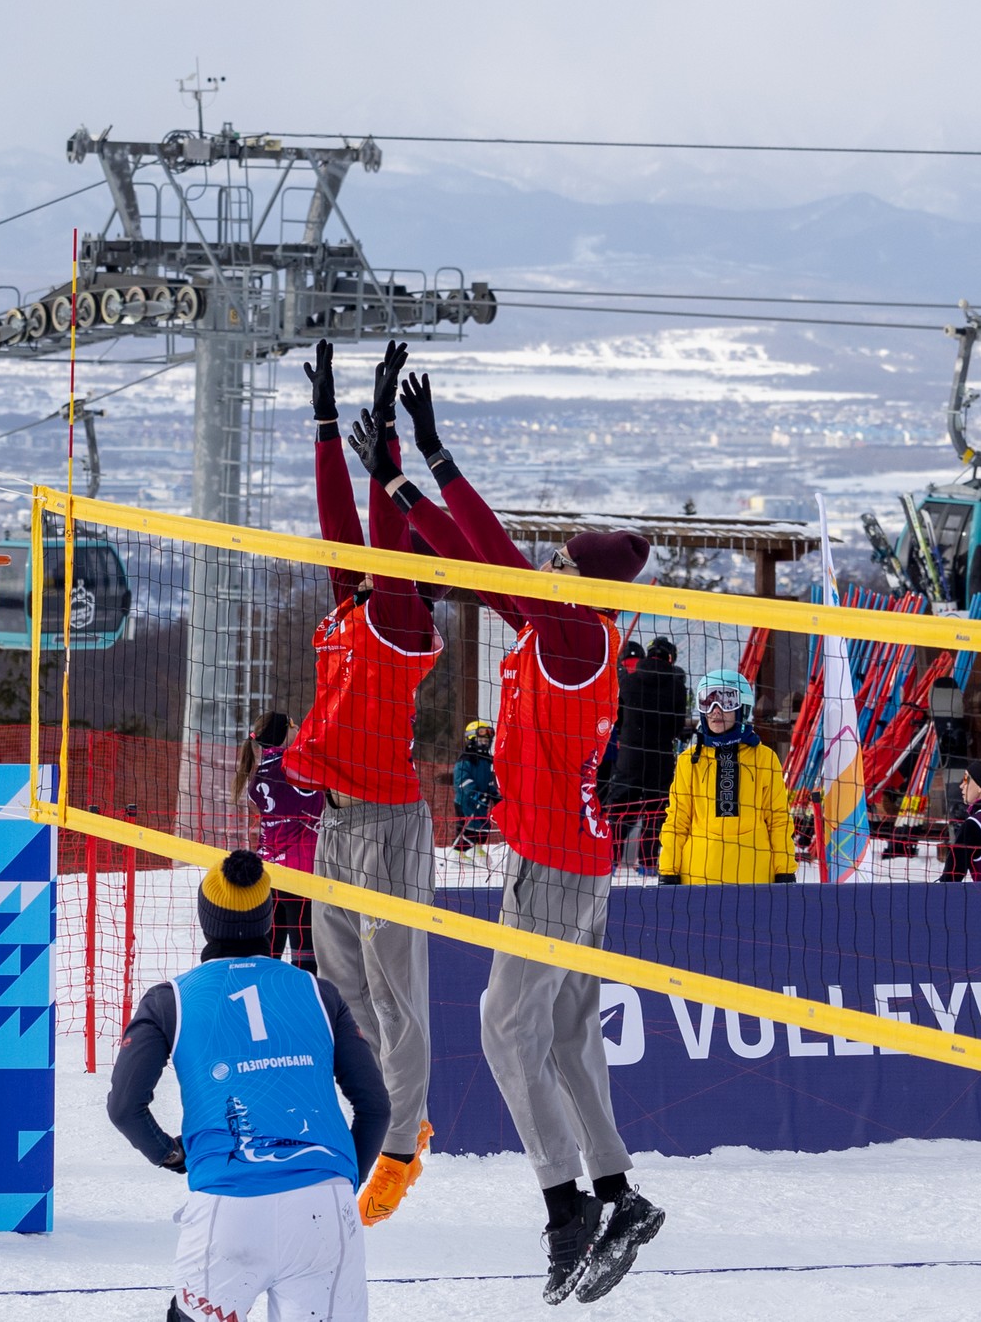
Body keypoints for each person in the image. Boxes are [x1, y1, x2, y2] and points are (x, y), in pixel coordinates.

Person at [357, 366, 665, 1304]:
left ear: (593, 583)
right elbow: (466, 561)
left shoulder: (578, 637)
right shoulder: (546, 629)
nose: (556, 570)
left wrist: (435, 461)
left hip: (560, 870)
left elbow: (490, 554)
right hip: (566, 862)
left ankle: (564, 1203)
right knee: (567, 1037)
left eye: (571, 564)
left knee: (501, 1028)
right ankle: (616, 1191)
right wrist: (403, 485)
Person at [280, 340, 442, 1226]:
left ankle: (402, 1142)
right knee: (342, 995)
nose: (373, 563)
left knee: (397, 995)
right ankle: (374, 1118)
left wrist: (390, 461)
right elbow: (339, 530)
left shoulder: (403, 618)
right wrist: (324, 426)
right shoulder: (353, 608)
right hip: (337, 821)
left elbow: (379, 540)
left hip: (389, 825)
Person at [106, 849, 390, 1322]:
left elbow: (124, 1107)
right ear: (269, 919)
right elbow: (376, 1108)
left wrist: (170, 1153)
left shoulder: (169, 1000)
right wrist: (340, 1180)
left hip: (228, 1206)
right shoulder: (319, 993)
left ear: (204, 920)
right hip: (324, 1209)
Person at [658, 670, 795, 886]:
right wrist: (668, 871)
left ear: (742, 708)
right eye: (707, 702)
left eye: (726, 701)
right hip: (698, 880)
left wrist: (785, 871)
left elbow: (778, 820)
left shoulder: (764, 758)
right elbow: (677, 821)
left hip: (755, 880)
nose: (715, 711)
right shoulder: (689, 761)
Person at [238, 711, 323, 973]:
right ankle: (304, 1003)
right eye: (295, 726)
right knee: (305, 951)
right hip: (300, 875)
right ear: (285, 732)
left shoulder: (258, 772)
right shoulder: (293, 766)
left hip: (270, 872)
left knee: (270, 949)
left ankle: (262, 1000)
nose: (298, 731)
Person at [600, 637, 687, 873]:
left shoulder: (630, 680)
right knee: (656, 809)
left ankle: (613, 858)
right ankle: (648, 862)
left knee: (621, 806)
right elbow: (678, 724)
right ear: (670, 657)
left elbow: (616, 714)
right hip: (660, 754)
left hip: (630, 753)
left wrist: (627, 734)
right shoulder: (677, 685)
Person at [452, 719, 502, 852]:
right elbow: (461, 781)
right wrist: (475, 794)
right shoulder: (466, 761)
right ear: (472, 741)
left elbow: (488, 781)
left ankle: (477, 849)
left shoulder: (485, 762)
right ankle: (460, 853)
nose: (485, 744)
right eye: (481, 741)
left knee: (483, 827)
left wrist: (495, 794)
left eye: (487, 741)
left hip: (482, 802)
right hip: (466, 801)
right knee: (469, 826)